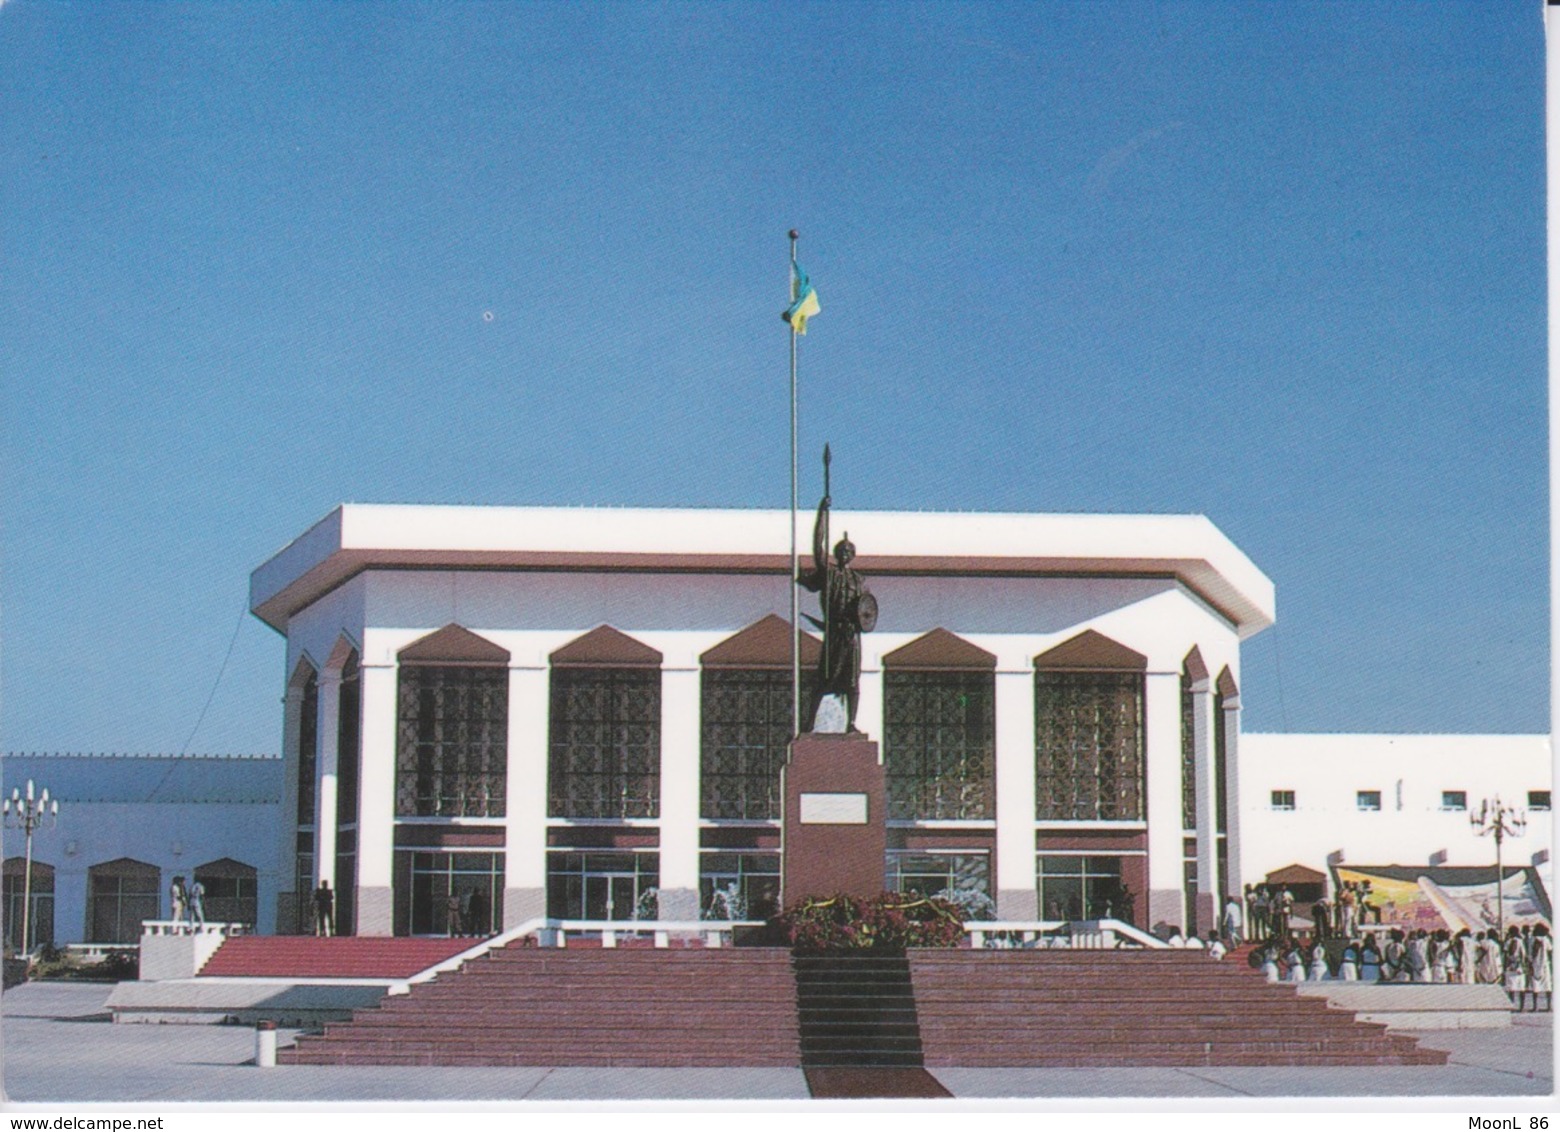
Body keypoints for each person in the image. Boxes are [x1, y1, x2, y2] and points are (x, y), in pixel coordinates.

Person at [795, 484, 874, 732]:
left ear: (852, 555)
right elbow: (817, 546)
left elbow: (866, 611)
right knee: (824, 681)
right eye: (841, 550)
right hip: (834, 633)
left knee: (853, 682)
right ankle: (808, 724)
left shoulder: (859, 581)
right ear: (836, 553)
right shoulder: (828, 574)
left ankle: (851, 724)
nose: (844, 554)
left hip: (851, 635)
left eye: (848, 551)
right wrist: (822, 513)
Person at [1527, 924, 1552, 1012]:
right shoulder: (1546, 940)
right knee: (1547, 986)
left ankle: (1535, 1006)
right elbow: (1550, 951)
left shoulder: (1531, 939)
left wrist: (1529, 963)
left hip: (1534, 964)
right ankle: (1548, 1006)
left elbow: (1530, 952)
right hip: (1545, 964)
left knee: (1535, 987)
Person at [1503, 926, 1528, 1008]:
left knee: (1511, 989)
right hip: (1519, 967)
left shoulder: (1508, 942)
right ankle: (1522, 1006)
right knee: (1521, 988)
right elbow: (1523, 954)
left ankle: (1512, 1005)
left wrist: (1505, 966)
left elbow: (1505, 955)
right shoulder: (1520, 941)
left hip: (1510, 967)